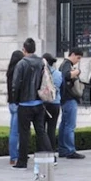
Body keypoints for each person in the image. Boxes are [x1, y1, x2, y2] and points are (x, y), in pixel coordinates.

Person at [12, 38, 52, 168]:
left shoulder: (21, 64)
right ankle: (50, 157)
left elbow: (15, 84)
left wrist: (15, 99)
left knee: (24, 133)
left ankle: (22, 161)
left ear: (24, 49)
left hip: (25, 103)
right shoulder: (42, 62)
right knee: (41, 130)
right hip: (39, 102)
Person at [58, 48, 86, 160]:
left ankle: (63, 149)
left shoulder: (64, 64)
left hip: (65, 99)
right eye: (78, 58)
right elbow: (66, 75)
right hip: (69, 98)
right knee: (70, 125)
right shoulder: (66, 64)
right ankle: (70, 150)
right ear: (73, 55)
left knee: (64, 124)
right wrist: (77, 72)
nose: (78, 61)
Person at [5, 50, 24, 165]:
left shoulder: (9, 71)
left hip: (11, 103)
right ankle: (14, 156)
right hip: (17, 103)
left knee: (14, 130)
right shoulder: (17, 71)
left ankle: (15, 153)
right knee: (16, 131)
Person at [42, 53, 63, 157]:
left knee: (41, 129)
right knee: (52, 128)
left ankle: (43, 151)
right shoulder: (58, 74)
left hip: (44, 104)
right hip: (55, 103)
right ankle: (52, 152)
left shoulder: (42, 73)